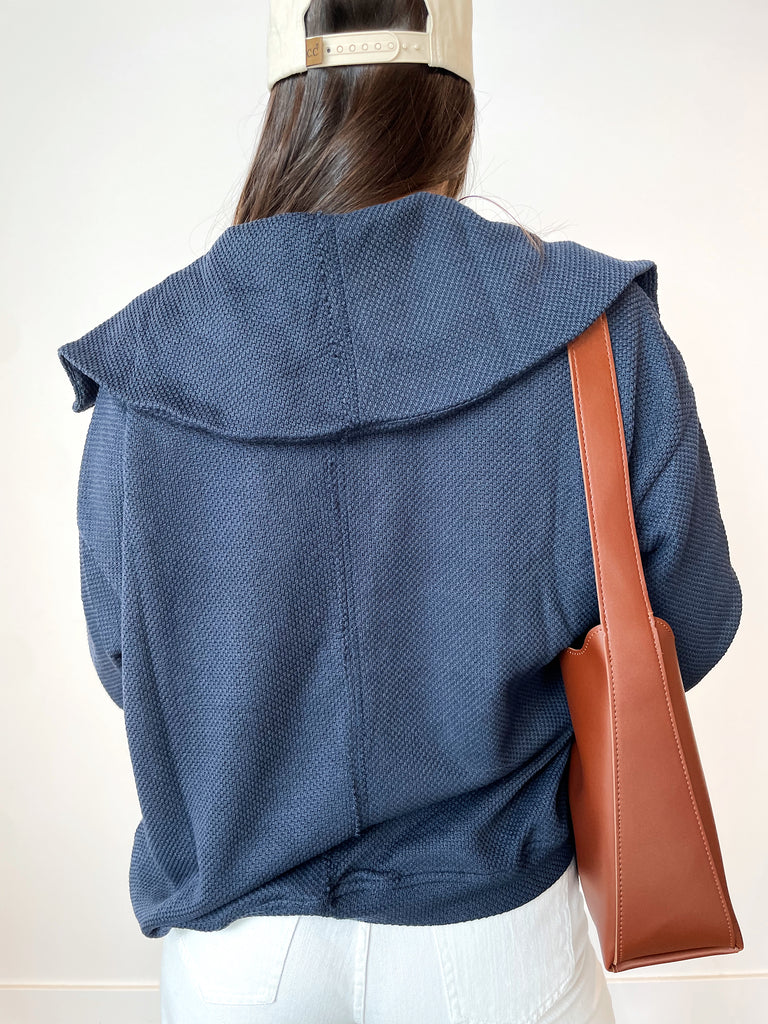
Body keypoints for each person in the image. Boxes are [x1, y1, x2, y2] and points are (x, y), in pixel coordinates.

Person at [57, 1, 743, 1022]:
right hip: (498, 928)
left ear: (285, 109)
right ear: (452, 107)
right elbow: (691, 615)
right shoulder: (595, 329)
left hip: (244, 955)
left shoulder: (149, 362)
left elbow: (129, 663)